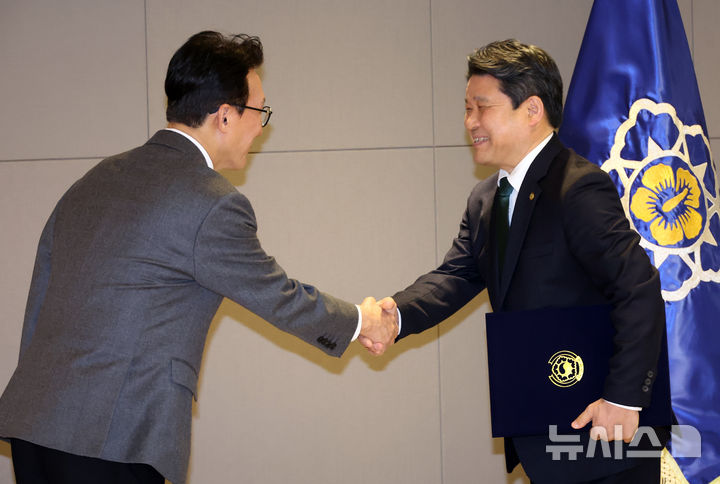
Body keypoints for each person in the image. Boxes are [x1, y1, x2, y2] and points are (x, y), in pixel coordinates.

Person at [0, 31, 398, 484]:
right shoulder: (211, 201)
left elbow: (41, 299)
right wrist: (362, 321)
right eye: (260, 112)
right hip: (110, 438)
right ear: (225, 115)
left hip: (35, 426)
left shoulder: (92, 181)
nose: (261, 127)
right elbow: (277, 295)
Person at [363, 39, 668, 483]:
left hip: (606, 432)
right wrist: (396, 316)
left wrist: (624, 398)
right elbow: (455, 276)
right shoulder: (485, 199)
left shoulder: (577, 188)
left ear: (532, 110)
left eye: (481, 107)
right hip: (546, 428)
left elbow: (637, 288)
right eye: (466, 109)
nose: (470, 122)